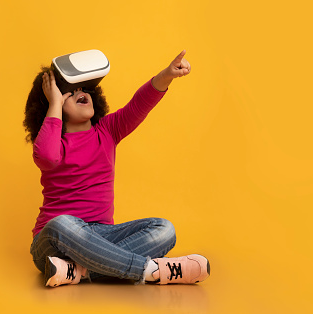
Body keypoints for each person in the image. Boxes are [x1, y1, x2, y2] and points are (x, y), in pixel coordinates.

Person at [23, 50, 210, 287]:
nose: (82, 93)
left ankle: (78, 271)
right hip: (54, 242)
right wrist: (55, 103)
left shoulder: (108, 130)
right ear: (53, 104)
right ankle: (150, 271)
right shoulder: (52, 143)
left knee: (164, 229)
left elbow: (139, 104)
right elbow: (47, 157)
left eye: (85, 90)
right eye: (70, 93)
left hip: (102, 237)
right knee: (62, 224)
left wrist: (167, 75)